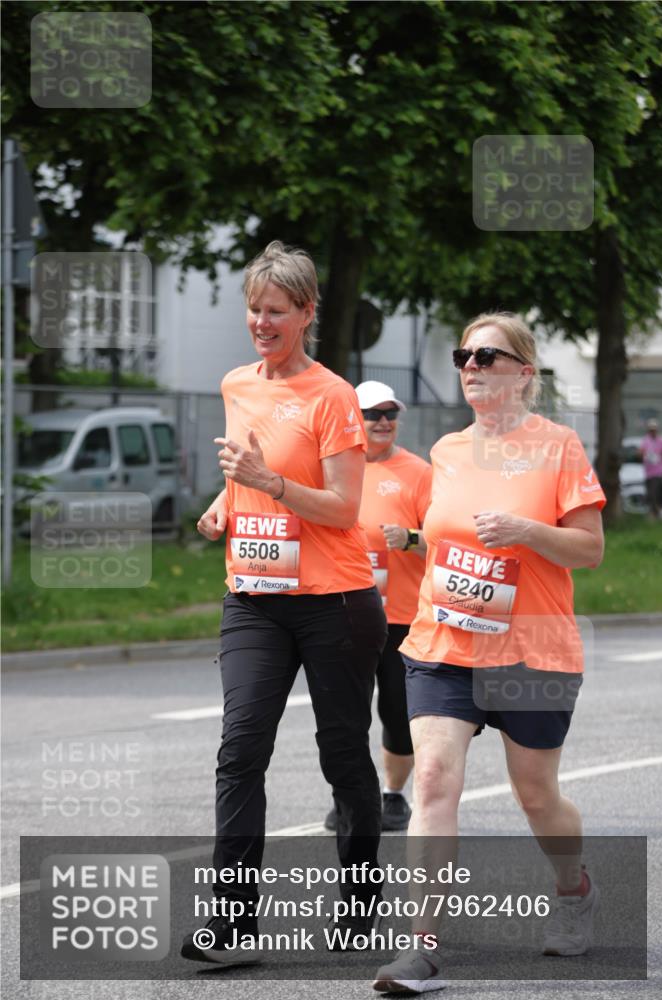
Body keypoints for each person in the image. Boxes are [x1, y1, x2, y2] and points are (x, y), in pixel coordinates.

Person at [373, 312, 606, 994]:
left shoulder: (557, 447)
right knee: (435, 780)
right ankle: (419, 948)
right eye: (463, 355)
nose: (470, 365)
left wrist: (528, 531)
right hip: (443, 643)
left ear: (523, 373)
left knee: (536, 797)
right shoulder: (446, 450)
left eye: (487, 356)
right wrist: (410, 544)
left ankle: (572, 887)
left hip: (531, 651)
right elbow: (441, 539)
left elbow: (589, 549)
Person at [181, 241, 387, 966]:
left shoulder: (332, 396)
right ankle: (232, 924)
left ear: (306, 312)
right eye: (253, 309)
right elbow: (248, 473)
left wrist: (264, 485)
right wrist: (223, 505)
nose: (261, 322)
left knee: (341, 755)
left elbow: (340, 506)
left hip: (334, 601)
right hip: (254, 597)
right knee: (240, 749)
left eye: (276, 311)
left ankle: (361, 896)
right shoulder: (237, 384)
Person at [323, 381, 432, 833]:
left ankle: (392, 796)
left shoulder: (419, 473)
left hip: (400, 616)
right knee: (344, 715)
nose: (384, 421)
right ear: (355, 420)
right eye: (373, 414)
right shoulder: (331, 468)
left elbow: (446, 543)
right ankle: (349, 798)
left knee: (396, 712)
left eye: (391, 413)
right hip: (341, 611)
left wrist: (409, 540)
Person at [640, 418, 662, 519]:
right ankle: (655, 512)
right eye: (651, 429)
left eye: (654, 429)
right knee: (651, 493)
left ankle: (655, 513)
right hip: (648, 472)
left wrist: (660, 458)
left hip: (659, 472)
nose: (653, 431)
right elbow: (640, 452)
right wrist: (646, 455)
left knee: (656, 493)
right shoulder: (646, 440)